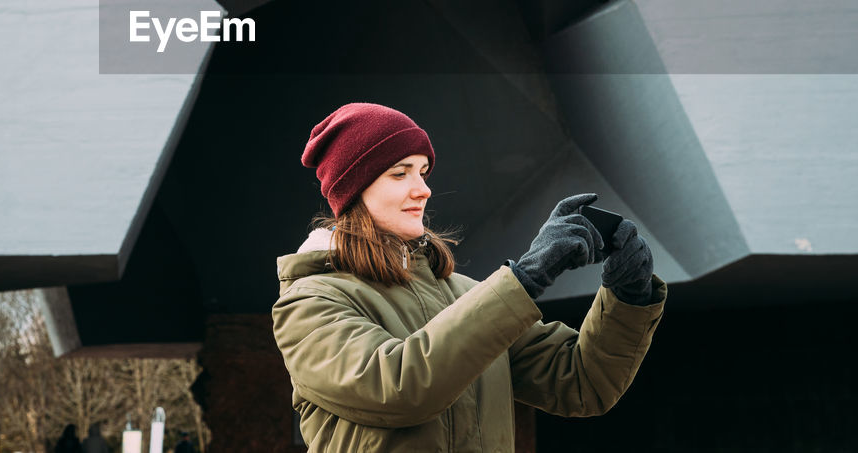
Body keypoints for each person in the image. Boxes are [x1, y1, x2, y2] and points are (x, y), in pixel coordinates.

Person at [272, 102, 665, 452]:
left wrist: (628, 295)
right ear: (354, 190)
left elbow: (581, 383)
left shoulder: (465, 295)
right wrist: (526, 277)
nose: (422, 189)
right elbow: (400, 388)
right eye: (399, 173)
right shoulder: (309, 302)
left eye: (423, 172)